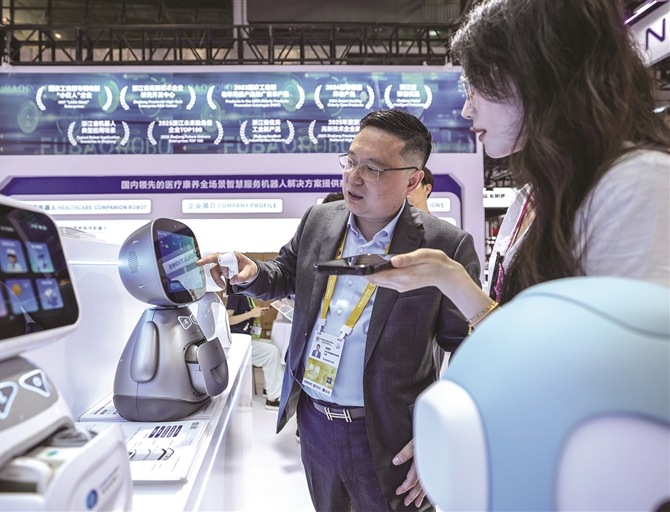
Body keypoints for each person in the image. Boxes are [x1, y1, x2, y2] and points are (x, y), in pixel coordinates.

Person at [365, 2, 670, 504]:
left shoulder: (635, 187)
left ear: (536, 74)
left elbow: (628, 393)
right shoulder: (533, 198)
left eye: (476, 87)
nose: (467, 110)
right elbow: (525, 343)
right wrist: (451, 280)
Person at [198, 109, 481, 511]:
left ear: (412, 180)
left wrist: (441, 431)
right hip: (316, 426)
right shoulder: (320, 219)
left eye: (373, 168)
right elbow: (286, 273)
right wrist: (253, 272)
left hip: (393, 438)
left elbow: (467, 349)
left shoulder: (445, 246)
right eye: (350, 161)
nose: (353, 177)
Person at [225, 294, 284, 411]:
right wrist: (251, 314)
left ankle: (269, 388)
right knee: (271, 352)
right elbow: (227, 319)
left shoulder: (247, 295)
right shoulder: (236, 295)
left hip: (246, 338)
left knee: (274, 345)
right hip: (237, 341)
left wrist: (257, 313)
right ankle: (272, 400)